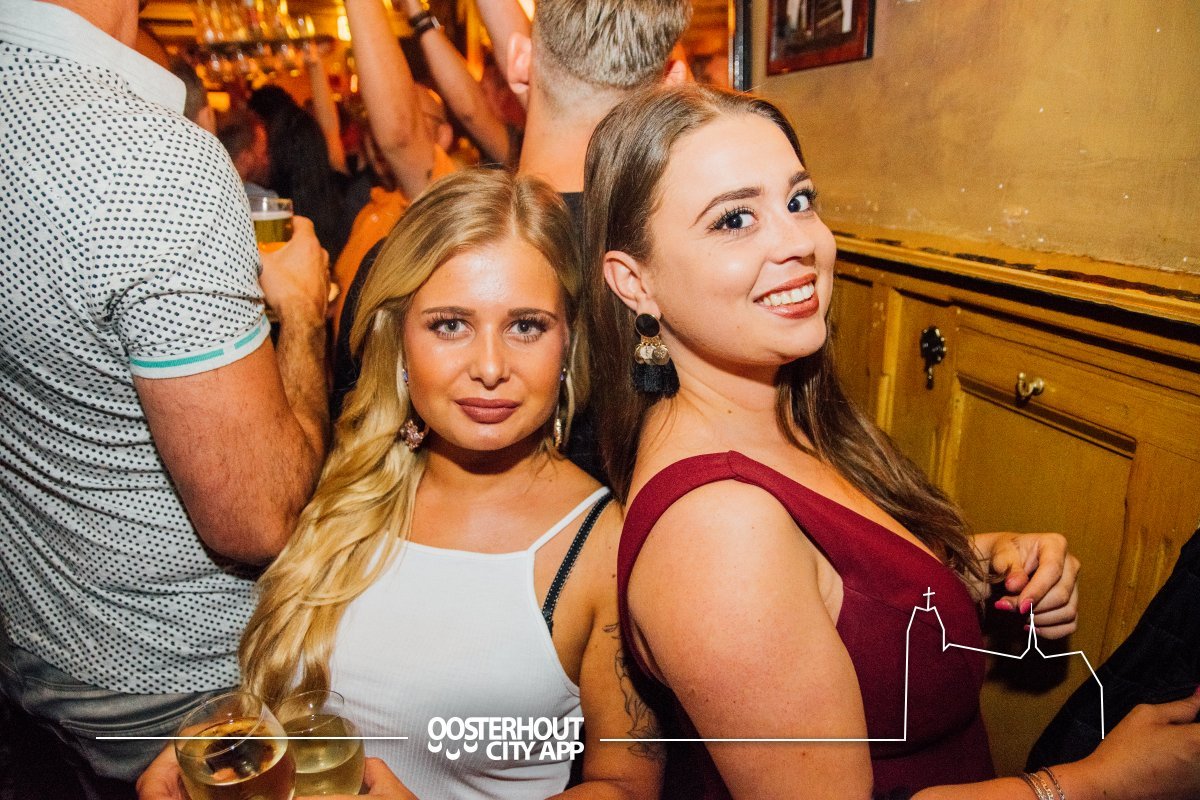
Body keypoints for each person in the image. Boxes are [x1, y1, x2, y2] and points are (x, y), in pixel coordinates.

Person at [582, 83, 1200, 799]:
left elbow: (836, 586)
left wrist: (975, 566)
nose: (799, 242)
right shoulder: (717, 531)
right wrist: (1101, 782)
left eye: (799, 200)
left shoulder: (783, 411)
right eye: (735, 219)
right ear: (635, 283)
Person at [137, 169, 663, 800]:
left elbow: (626, 787)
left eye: (526, 325)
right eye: (450, 325)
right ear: (399, 339)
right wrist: (233, 754)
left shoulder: (607, 547)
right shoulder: (353, 487)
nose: (490, 367)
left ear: (568, 342)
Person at [0, 0, 330, 789]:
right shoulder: (140, 159)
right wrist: (303, 315)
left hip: (39, 646)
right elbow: (260, 516)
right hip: (183, 690)